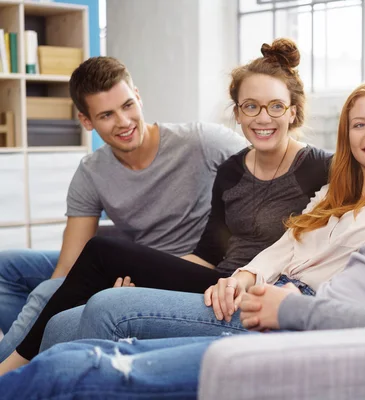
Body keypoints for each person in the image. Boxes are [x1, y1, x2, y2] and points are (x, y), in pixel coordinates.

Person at [0, 55, 365, 399]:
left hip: (295, 327)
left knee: (80, 352)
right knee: (69, 338)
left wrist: (288, 305)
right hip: (274, 305)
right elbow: (280, 248)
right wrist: (254, 281)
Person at [0, 38, 331, 374]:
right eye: (251, 107)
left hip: (249, 289)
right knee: (59, 313)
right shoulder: (232, 168)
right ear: (238, 112)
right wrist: (146, 275)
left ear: (293, 111)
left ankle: (8, 370)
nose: (263, 118)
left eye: (276, 106)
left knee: (100, 254)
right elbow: (208, 252)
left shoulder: (322, 167)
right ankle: (18, 375)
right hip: (214, 278)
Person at [37, 82, 365, 349]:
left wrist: (290, 301)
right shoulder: (335, 188)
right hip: (251, 285)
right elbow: (284, 246)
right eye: (360, 125)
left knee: (108, 304)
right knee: (59, 326)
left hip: (294, 308)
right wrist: (243, 277)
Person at [0, 56, 247, 362]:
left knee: (45, 294)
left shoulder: (201, 141)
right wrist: (74, 287)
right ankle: (17, 359)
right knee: (9, 267)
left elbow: (267, 170)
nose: (124, 122)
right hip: (130, 261)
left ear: (138, 97)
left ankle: (8, 371)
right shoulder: (92, 171)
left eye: (128, 105)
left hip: (191, 269)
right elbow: (70, 263)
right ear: (86, 121)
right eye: (106, 115)